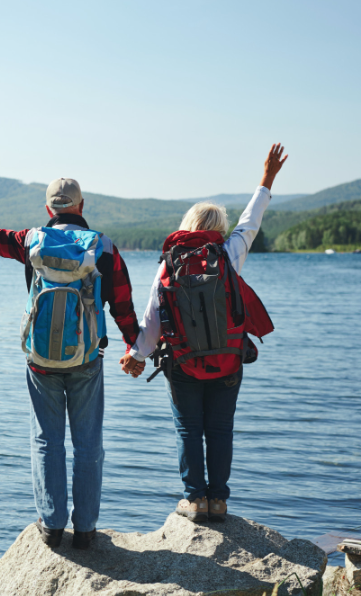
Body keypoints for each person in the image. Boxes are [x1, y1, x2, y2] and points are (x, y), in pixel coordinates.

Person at [0, 179, 143, 549]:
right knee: (88, 444)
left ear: (49, 209)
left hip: (40, 359)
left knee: (46, 440)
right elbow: (124, 305)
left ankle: (51, 525)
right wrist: (137, 348)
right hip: (87, 359)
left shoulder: (30, 240)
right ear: (81, 206)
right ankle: (85, 530)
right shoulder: (104, 247)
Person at [120, 144, 287, 523]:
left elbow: (152, 319)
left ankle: (194, 500)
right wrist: (267, 179)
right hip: (228, 361)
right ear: (219, 231)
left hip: (182, 364)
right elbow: (251, 221)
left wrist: (136, 356)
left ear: (187, 226)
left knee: (188, 430)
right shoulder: (227, 255)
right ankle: (219, 502)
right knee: (221, 430)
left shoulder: (169, 264)